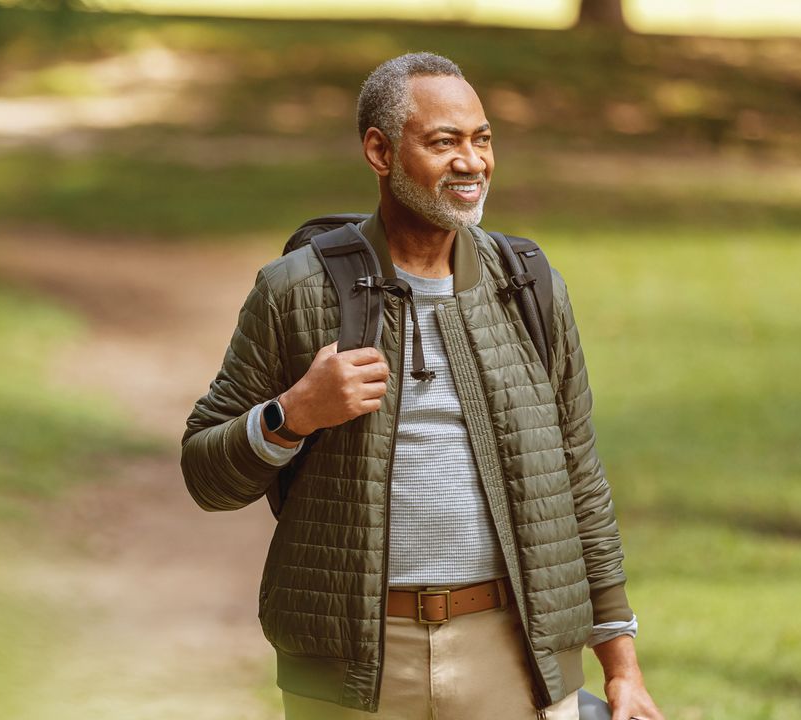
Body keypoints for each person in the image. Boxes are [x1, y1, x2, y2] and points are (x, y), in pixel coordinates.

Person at [181, 52, 663, 720]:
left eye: (482, 139)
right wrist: (293, 414)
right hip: (353, 666)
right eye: (444, 142)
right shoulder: (295, 292)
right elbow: (205, 473)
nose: (471, 161)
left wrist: (622, 667)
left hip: (512, 653)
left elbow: (578, 480)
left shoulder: (529, 287)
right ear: (379, 151)